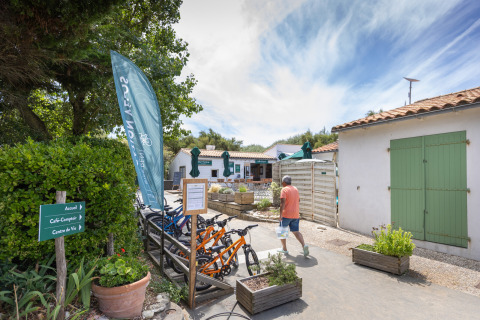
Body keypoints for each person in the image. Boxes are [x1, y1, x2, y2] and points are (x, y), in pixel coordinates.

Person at [278, 175, 309, 257]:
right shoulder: (295, 189)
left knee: (282, 231)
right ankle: (304, 245)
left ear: (284, 182)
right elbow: (299, 200)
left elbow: (282, 203)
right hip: (295, 214)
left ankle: (284, 249)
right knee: (296, 231)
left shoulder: (284, 189)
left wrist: (280, 214)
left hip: (286, 214)